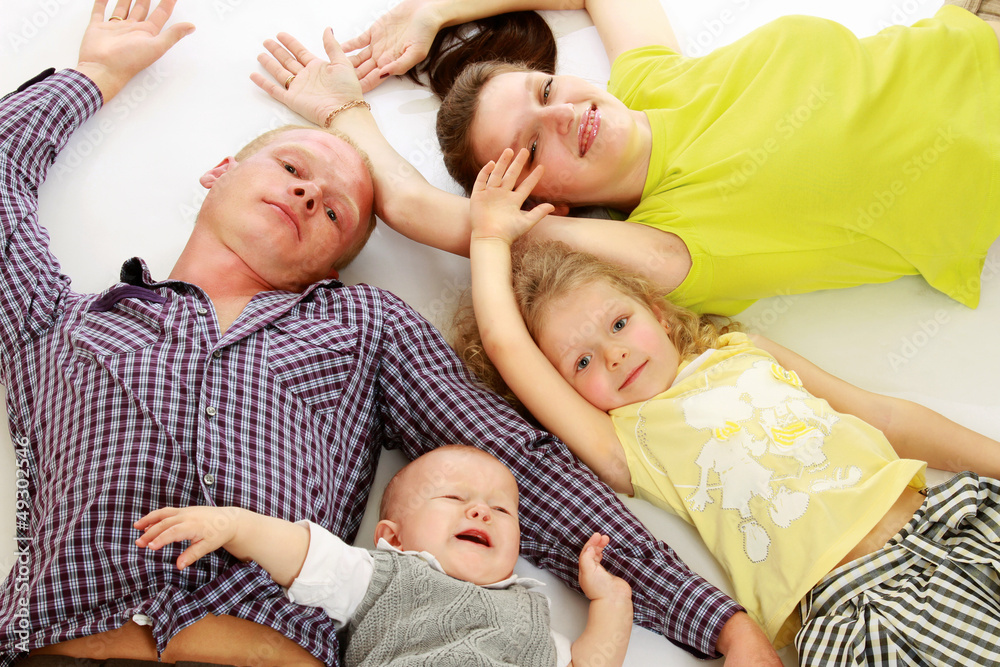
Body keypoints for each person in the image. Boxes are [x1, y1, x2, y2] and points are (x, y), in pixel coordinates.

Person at [0, 1, 783, 665]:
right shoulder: (64, 324)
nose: (312, 194)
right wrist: (96, 75)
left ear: (335, 266)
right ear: (219, 172)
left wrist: (719, 623)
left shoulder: (358, 324)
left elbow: (517, 470)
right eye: (294, 170)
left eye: (338, 210)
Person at [456, 147, 1000, 664]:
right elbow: (507, 346)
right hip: (867, 604)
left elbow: (882, 416)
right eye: (582, 362)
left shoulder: (742, 351)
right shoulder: (629, 441)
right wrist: (487, 236)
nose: (615, 355)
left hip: (949, 523)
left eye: (620, 323)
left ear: (658, 312)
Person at [256, 0, 1000, 317]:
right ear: (544, 200)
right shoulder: (672, 242)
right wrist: (342, 109)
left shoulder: (647, 82)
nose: (562, 113)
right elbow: (423, 211)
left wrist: (433, 13)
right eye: (532, 144)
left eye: (546, 90)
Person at [133, 445, 634, 667]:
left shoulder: (531, 612)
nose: (481, 512)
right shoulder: (388, 574)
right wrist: (237, 525)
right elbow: (304, 554)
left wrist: (612, 601)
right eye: (455, 500)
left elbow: (588, 661)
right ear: (390, 536)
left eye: (502, 509)